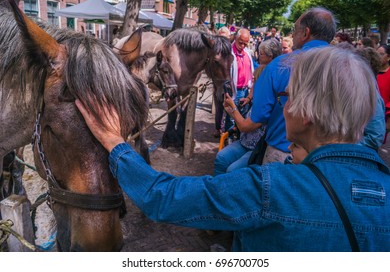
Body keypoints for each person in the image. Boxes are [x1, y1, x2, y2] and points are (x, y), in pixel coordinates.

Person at [76, 46, 390, 251]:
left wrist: (114, 142)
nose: (284, 106)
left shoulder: (272, 187)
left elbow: (163, 198)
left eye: (288, 98)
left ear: (306, 114)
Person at [223, 7, 385, 164]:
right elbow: (372, 121)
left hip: (282, 155)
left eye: (295, 30)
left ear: (306, 33)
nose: (292, 35)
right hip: (330, 161)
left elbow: (255, 120)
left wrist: (233, 110)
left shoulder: (279, 66)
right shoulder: (352, 66)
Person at [214, 39, 281, 175]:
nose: (258, 56)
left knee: (232, 170)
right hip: (245, 140)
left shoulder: (270, 90)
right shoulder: (262, 77)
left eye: (261, 54)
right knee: (221, 158)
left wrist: (233, 110)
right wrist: (249, 98)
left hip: (257, 146)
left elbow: (246, 125)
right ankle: (217, 190)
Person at [223, 28, 254, 133]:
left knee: (243, 118)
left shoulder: (247, 53)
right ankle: (228, 139)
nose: (243, 46)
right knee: (231, 118)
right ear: (235, 38)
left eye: (245, 44)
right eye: (240, 43)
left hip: (246, 91)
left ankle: (239, 138)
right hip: (234, 91)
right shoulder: (228, 53)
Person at [377, 44, 390, 136]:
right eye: (376, 54)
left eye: (381, 54)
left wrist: (388, 123)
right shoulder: (371, 71)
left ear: (388, 57)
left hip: (383, 119)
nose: (378, 57)